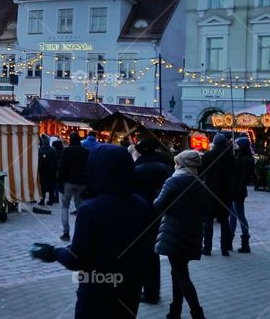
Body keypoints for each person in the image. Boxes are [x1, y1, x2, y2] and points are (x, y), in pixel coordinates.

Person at [33, 145, 154, 318]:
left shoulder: (91, 209)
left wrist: (52, 252)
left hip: (97, 294)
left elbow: (77, 259)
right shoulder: (142, 206)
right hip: (129, 292)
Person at [154, 150, 213, 319]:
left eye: (177, 162)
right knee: (178, 272)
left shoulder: (173, 182)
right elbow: (209, 208)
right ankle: (175, 310)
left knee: (181, 275)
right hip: (193, 233)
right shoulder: (199, 184)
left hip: (174, 234)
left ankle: (197, 313)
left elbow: (158, 205)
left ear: (181, 164)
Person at [133, 139, 173, 305]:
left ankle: (149, 291)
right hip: (166, 215)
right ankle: (155, 292)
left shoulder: (137, 169)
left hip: (144, 216)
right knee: (164, 258)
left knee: (147, 255)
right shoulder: (166, 166)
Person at [199, 133, 236, 256]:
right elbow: (233, 175)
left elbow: (200, 172)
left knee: (208, 221)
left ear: (214, 143)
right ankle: (224, 248)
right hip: (225, 193)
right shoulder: (230, 157)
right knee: (224, 221)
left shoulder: (208, 155)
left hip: (210, 192)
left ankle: (207, 248)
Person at [57, 131, 89, 242]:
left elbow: (62, 168)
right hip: (82, 183)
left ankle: (66, 233)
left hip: (69, 182)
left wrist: (60, 182)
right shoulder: (86, 152)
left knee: (65, 206)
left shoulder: (66, 151)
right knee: (80, 208)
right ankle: (80, 232)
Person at [228, 137, 256, 253]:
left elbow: (241, 178)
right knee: (233, 216)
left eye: (238, 144)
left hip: (237, 192)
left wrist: (235, 192)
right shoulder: (245, 158)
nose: (236, 146)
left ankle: (244, 243)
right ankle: (230, 241)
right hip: (237, 191)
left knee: (239, 216)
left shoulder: (243, 160)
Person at [38, 134, 59, 206]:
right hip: (51, 170)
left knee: (43, 186)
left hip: (43, 170)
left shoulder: (40, 149)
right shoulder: (52, 149)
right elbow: (56, 161)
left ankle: (43, 200)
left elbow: (38, 160)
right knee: (51, 186)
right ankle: (50, 200)